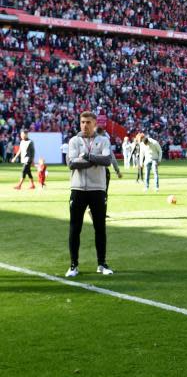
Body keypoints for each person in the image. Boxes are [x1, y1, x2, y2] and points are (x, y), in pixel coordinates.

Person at [66, 111, 114, 277]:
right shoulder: (74, 141)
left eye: (88, 122)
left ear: (95, 124)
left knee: (100, 228)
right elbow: (72, 164)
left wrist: (87, 156)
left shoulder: (103, 140)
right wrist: (95, 160)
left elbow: (107, 161)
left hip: (97, 190)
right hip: (78, 189)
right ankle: (73, 265)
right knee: (75, 228)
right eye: (82, 122)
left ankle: (102, 264)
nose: (84, 125)